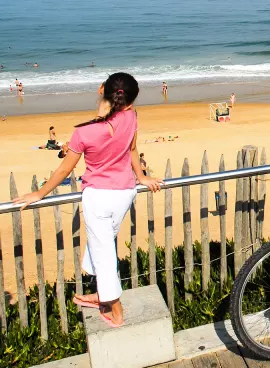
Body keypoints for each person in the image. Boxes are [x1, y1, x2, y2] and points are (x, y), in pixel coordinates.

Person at [13, 72, 163, 328]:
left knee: (103, 252)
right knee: (103, 241)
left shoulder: (85, 131)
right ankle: (102, 293)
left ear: (102, 89)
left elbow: (65, 169)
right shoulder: (131, 117)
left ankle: (115, 310)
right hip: (124, 193)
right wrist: (141, 177)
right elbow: (132, 149)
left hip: (98, 198)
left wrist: (39, 193)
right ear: (130, 100)